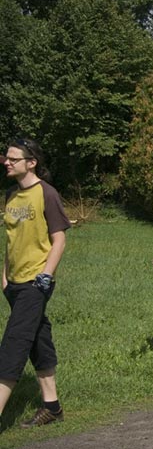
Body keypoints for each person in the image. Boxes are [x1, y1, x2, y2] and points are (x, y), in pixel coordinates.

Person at [0, 139, 70, 428]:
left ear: (31, 163)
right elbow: (11, 239)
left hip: (35, 282)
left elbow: (60, 239)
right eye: (6, 158)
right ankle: (52, 407)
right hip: (14, 282)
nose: (6, 162)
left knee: (14, 343)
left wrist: (46, 276)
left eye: (13, 159)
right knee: (38, 338)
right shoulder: (10, 194)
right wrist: (4, 275)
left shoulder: (47, 194)